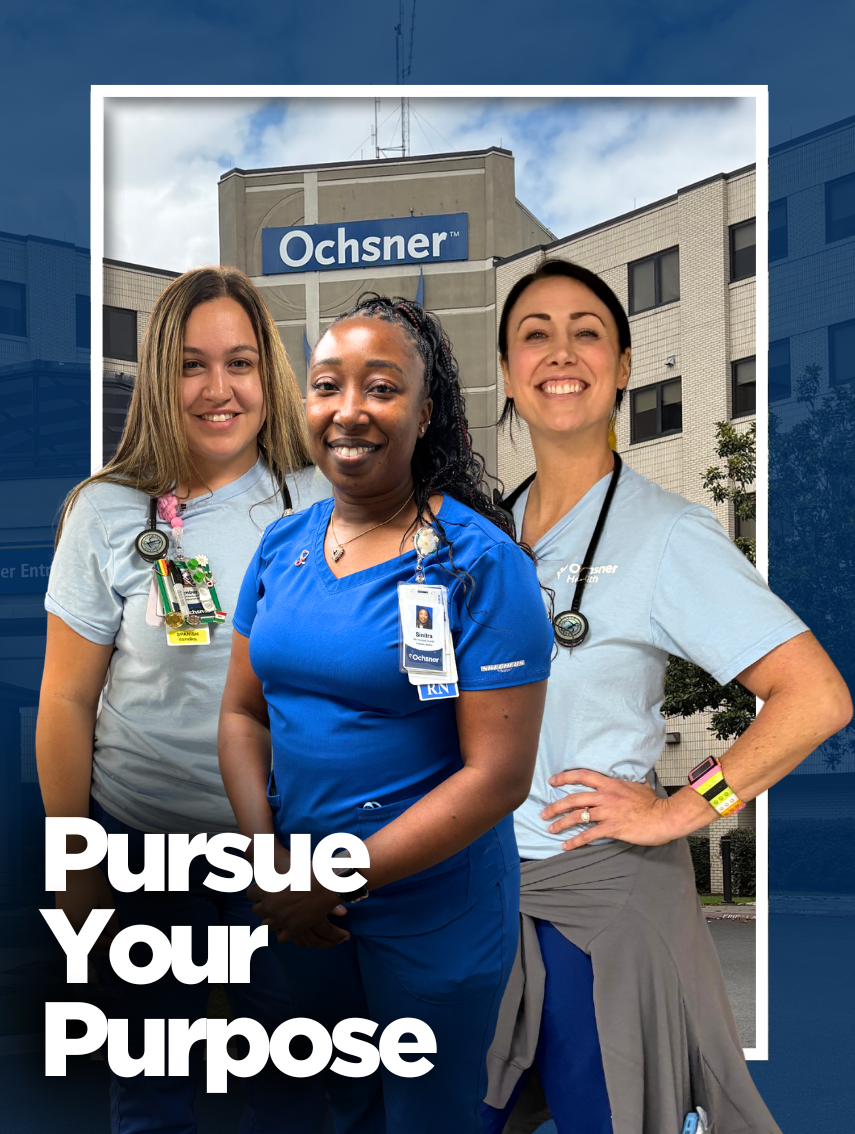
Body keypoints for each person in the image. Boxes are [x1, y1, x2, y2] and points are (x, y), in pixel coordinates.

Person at [481, 259, 852, 1134]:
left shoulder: (667, 535)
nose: (558, 351)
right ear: (505, 372)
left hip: (601, 898)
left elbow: (815, 698)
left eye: (586, 332)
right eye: (533, 333)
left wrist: (686, 807)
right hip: (480, 894)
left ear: (622, 366)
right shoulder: (481, 533)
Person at [218, 294, 554, 1134]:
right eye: (327, 385)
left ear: (424, 411)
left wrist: (326, 878)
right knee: (344, 1105)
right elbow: (242, 715)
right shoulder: (280, 547)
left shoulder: (477, 565)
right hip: (305, 908)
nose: (349, 410)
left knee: (423, 1118)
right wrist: (270, 864)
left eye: (381, 387)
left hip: (431, 912)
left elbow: (497, 776)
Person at [37, 266, 332, 1134]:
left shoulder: (324, 503)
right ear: (160, 380)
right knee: (156, 1091)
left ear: (267, 375)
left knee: (292, 1083)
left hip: (281, 845)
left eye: (239, 363)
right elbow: (64, 702)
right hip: (142, 842)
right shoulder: (106, 511)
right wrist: (76, 858)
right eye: (193, 366)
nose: (218, 389)